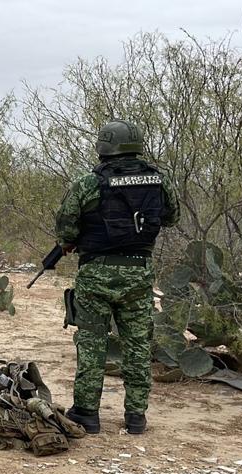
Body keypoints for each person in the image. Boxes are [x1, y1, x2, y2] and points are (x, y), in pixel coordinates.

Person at [55, 119, 179, 435]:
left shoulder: (86, 184)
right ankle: (136, 416)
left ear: (104, 147)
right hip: (139, 274)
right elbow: (171, 216)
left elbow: (66, 230)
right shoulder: (158, 181)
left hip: (95, 275)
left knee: (92, 344)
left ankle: (87, 414)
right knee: (138, 346)